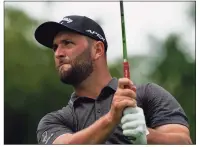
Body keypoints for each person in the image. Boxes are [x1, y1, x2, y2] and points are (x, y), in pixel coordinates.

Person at [34, 15, 192, 144]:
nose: (58, 53)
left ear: (97, 50)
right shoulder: (54, 120)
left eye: (67, 43)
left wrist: (147, 136)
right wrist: (111, 119)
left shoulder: (147, 94)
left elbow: (184, 142)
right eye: (55, 47)